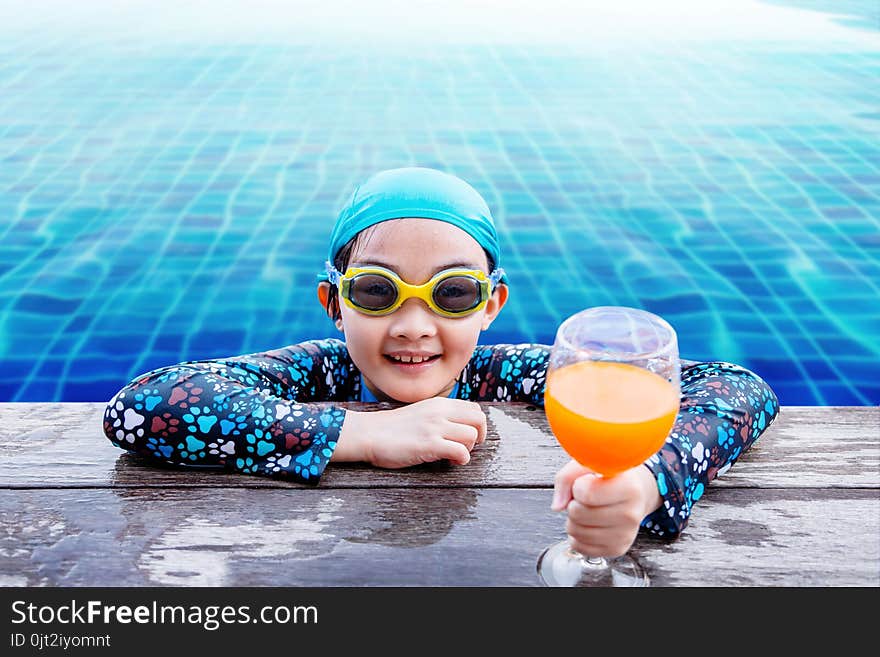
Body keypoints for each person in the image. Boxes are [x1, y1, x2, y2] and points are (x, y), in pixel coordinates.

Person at [103, 166, 780, 557]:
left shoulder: (507, 375)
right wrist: (359, 433)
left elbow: (736, 387)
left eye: (453, 293)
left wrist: (647, 481)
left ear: (492, 305)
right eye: (377, 290)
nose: (414, 325)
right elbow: (141, 404)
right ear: (333, 305)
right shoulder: (324, 373)